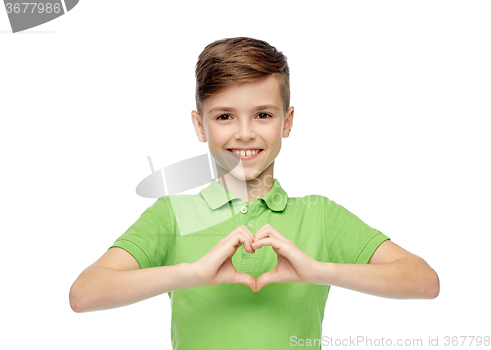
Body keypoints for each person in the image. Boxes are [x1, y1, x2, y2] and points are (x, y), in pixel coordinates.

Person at [69, 37, 439, 349]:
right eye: (224, 116)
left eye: (263, 115)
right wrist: (191, 273)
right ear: (200, 125)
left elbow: (424, 281)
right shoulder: (172, 215)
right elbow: (84, 293)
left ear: (287, 122)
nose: (245, 133)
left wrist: (320, 271)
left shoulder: (319, 215)